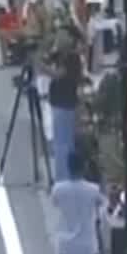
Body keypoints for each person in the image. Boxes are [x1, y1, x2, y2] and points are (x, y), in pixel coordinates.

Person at [47, 32, 83, 182]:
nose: (58, 40)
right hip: (60, 102)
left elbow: (58, 74)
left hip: (65, 103)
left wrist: (40, 66)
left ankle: (63, 177)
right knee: (62, 141)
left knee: (63, 143)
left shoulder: (71, 58)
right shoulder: (60, 55)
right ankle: (63, 175)